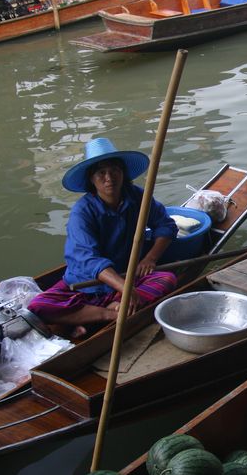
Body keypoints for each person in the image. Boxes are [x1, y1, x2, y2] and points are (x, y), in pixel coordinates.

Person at [28, 138, 178, 339]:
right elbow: (87, 258)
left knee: (167, 278)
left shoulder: (136, 197)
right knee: (38, 307)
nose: (109, 178)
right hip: (87, 281)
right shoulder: (82, 211)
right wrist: (124, 288)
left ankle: (88, 316)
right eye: (101, 173)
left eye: (114, 170)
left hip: (127, 273)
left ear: (123, 173)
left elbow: (166, 225)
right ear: (91, 179)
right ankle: (109, 313)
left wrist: (150, 258)